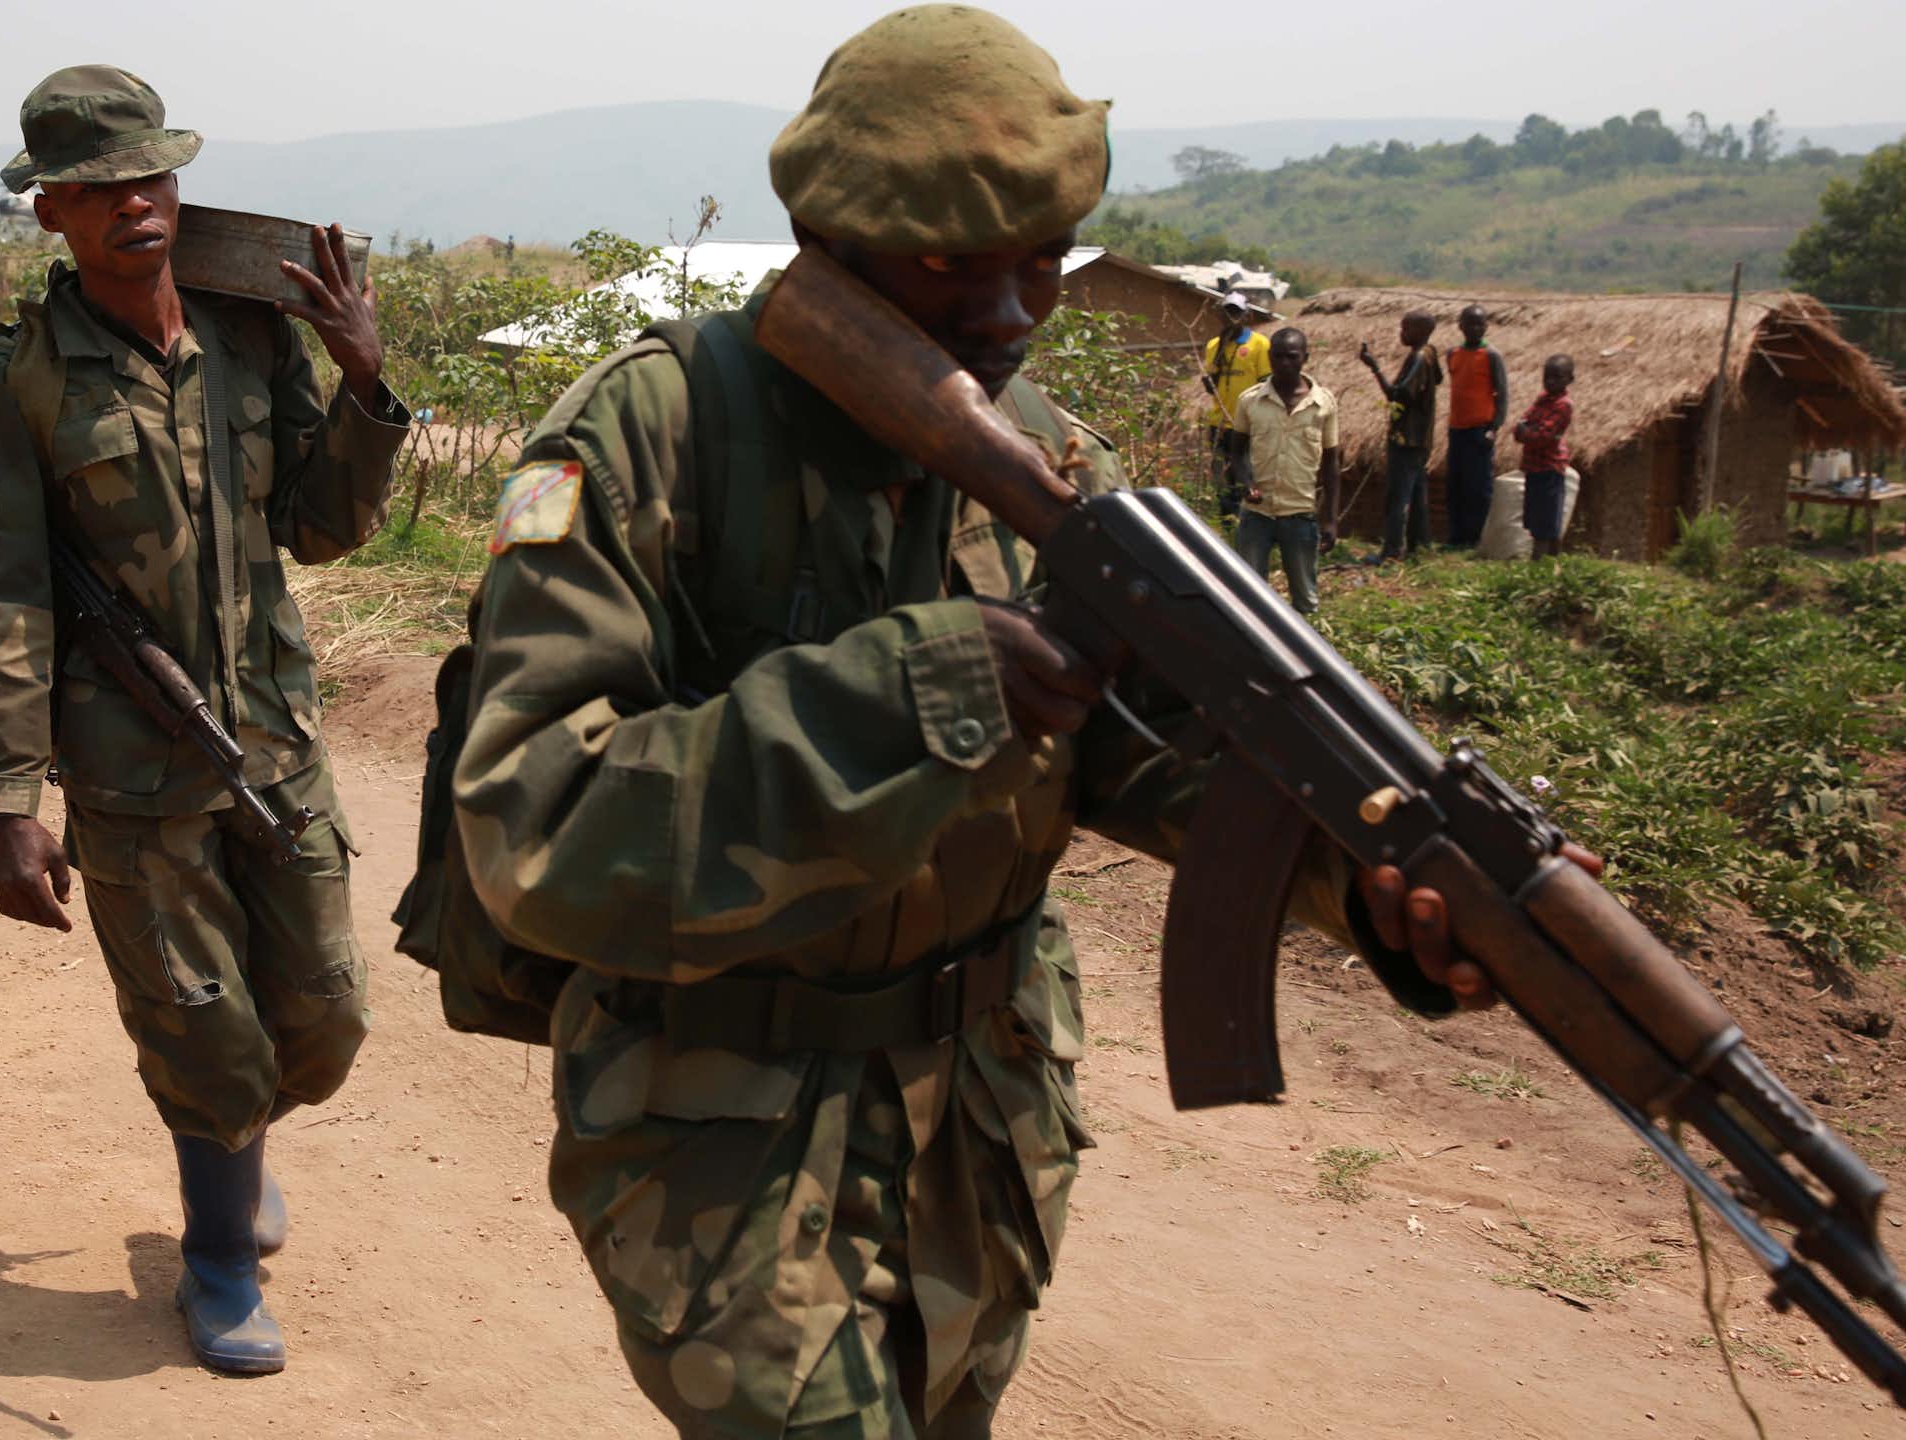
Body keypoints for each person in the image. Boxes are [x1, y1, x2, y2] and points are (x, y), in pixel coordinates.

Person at [451, 10, 1494, 1435]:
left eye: (1039, 265)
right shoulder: (645, 435)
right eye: (951, 267)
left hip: (983, 1111)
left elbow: (1157, 751)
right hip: (719, 1114)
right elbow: (537, 826)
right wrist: (918, 689)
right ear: (828, 238)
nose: (1008, 314)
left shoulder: (1053, 459)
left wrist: (1378, 883)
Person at [0, 64, 409, 1376]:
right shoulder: (22, 378)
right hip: (131, 773)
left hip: (277, 740)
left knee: (325, 1020)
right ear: (53, 214)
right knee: (203, 1026)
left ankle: (236, 1134)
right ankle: (214, 1257)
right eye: (96, 188)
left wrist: (364, 383)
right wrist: (9, 804)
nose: (132, 203)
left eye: (150, 175)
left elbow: (323, 525)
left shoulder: (254, 335)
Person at [1226, 328, 1340, 614]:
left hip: (1300, 514)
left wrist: (1331, 520)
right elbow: (1236, 453)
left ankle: (1305, 654)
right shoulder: (1250, 400)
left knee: (1305, 600)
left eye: (1292, 357)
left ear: (1305, 358)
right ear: (1269, 358)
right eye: (1278, 356)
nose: (1285, 363)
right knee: (1249, 597)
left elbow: (1331, 465)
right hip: (1257, 514)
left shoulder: (1323, 404)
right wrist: (1246, 482)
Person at [1357, 310, 1440, 561]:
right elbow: (1437, 379)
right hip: (1420, 438)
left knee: (1398, 496)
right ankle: (1419, 545)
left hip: (1408, 437)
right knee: (1416, 493)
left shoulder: (1418, 358)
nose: (1401, 333)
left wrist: (1374, 368)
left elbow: (1396, 394)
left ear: (1421, 331)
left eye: (1406, 329)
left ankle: (1392, 550)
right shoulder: (1430, 353)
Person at [1442, 304, 1508, 547]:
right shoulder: (1453, 354)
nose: (1475, 328)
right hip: (1457, 428)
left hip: (1480, 429)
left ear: (1486, 327)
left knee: (1478, 488)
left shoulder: (1491, 355)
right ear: (1460, 326)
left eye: (1480, 324)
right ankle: (1457, 537)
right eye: (1470, 323)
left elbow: (1502, 393)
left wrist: (1494, 427)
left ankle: (1477, 539)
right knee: (1456, 485)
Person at [1199, 294, 1271, 516]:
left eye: (1236, 312)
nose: (1231, 317)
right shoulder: (1213, 345)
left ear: (1246, 315)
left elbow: (1265, 384)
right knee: (1220, 479)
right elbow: (1213, 387)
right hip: (1218, 423)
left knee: (1244, 477)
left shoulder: (1259, 344)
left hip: (1246, 424)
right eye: (1227, 312)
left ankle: (1245, 521)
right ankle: (1226, 522)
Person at [1513, 353, 1576, 558]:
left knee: (1546, 520)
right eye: (1547, 377)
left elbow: (1543, 436)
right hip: (1534, 466)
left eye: (1557, 377)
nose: (1550, 381)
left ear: (1569, 379)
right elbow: (1521, 425)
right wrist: (1526, 430)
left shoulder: (1563, 405)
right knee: (1535, 518)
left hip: (1549, 467)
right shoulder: (1542, 400)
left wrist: (1526, 431)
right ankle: (1548, 564)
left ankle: (1540, 566)